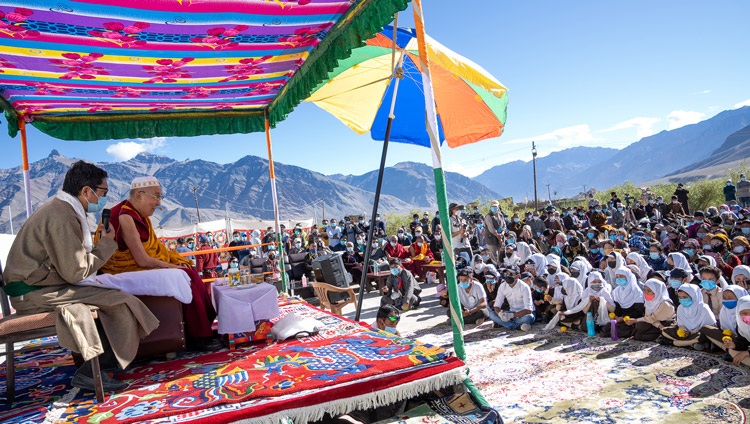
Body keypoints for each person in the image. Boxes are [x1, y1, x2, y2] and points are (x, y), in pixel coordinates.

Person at [2, 161, 159, 392]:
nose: (104, 199)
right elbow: (74, 271)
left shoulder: (61, 209)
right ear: (86, 191)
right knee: (120, 300)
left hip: (42, 286)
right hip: (34, 293)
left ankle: (100, 365)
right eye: (103, 192)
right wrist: (106, 244)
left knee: (112, 297)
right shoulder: (62, 216)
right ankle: (93, 371)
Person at [100, 176, 219, 351]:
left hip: (136, 266)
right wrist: (174, 267)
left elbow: (151, 251)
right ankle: (198, 337)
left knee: (189, 270)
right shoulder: (125, 216)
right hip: (122, 270)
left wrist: (175, 265)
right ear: (139, 194)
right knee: (186, 274)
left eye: (160, 197)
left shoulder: (137, 214)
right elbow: (142, 259)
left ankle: (201, 330)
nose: (159, 203)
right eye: (156, 196)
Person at [660, 284, 716, 348]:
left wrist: (691, 332)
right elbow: (681, 325)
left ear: (694, 296)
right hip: (687, 334)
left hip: (698, 333)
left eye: (685, 297)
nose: (682, 300)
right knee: (665, 331)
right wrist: (684, 331)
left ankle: (675, 343)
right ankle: (692, 343)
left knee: (702, 336)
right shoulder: (680, 307)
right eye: (680, 297)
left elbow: (710, 326)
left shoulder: (703, 308)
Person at [701, 285, 748, 355]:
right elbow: (722, 329)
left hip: (741, 340)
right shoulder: (724, 311)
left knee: (735, 351)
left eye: (730, 298)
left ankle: (728, 349)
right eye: (725, 298)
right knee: (705, 329)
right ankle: (728, 347)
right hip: (733, 339)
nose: (727, 300)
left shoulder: (745, 311)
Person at [601, 267, 645, 338]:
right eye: (617, 277)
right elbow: (618, 308)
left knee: (622, 329)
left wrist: (623, 318)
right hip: (621, 318)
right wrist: (615, 316)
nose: (619, 279)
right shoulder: (617, 291)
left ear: (628, 277)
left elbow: (638, 311)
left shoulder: (636, 292)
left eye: (621, 276)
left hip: (632, 319)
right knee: (607, 328)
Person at [722, 295, 750, 366]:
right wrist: (735, 345)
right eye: (744, 313)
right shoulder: (741, 325)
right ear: (738, 313)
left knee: (742, 355)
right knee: (732, 351)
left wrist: (747, 353)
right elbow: (744, 342)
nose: (748, 316)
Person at [484, 200, 506, 265]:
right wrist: (498, 236)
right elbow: (491, 229)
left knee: (501, 256)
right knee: (494, 257)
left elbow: (504, 226)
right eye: (493, 206)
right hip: (492, 239)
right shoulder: (488, 216)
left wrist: (502, 233)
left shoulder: (500, 215)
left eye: (496, 206)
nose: (494, 208)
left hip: (501, 238)